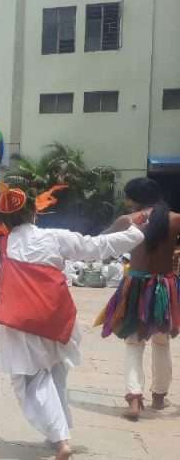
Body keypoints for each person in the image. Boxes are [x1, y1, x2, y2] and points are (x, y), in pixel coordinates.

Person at [0, 187, 144, 460]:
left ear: (3, 220)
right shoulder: (55, 237)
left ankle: (61, 439)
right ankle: (57, 433)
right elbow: (96, 246)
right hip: (58, 316)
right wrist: (134, 233)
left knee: (31, 381)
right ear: (33, 214)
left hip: (23, 321)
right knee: (55, 373)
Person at [93, 177, 179, 421]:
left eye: (128, 197)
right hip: (165, 285)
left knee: (134, 342)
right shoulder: (175, 219)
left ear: (135, 199)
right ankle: (159, 397)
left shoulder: (128, 221)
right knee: (162, 342)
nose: (126, 202)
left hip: (136, 285)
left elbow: (100, 242)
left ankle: (134, 399)